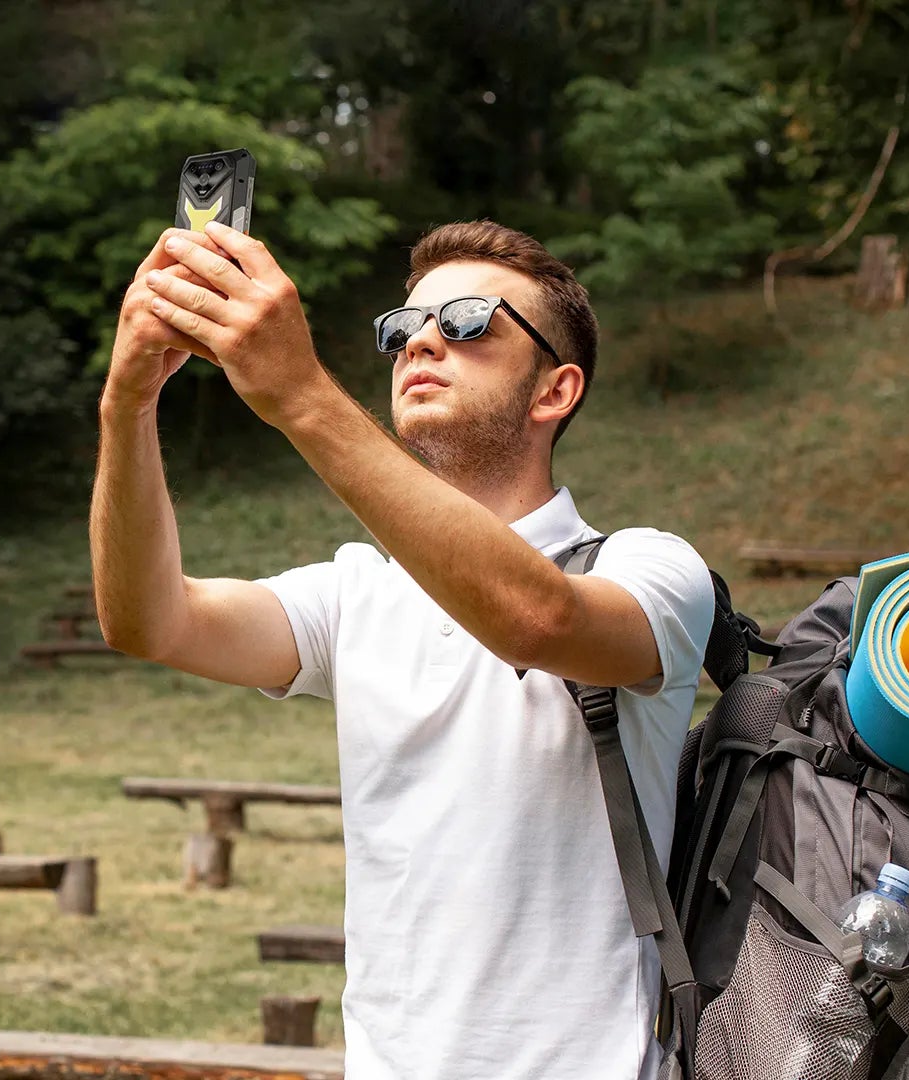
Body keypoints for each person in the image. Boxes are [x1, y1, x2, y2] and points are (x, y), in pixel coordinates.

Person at [90, 218, 713, 1080]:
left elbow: (539, 621)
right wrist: (125, 406)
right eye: (403, 327)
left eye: (467, 322)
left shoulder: (653, 569)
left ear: (555, 391)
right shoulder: (356, 595)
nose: (421, 340)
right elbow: (146, 621)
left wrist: (302, 395)